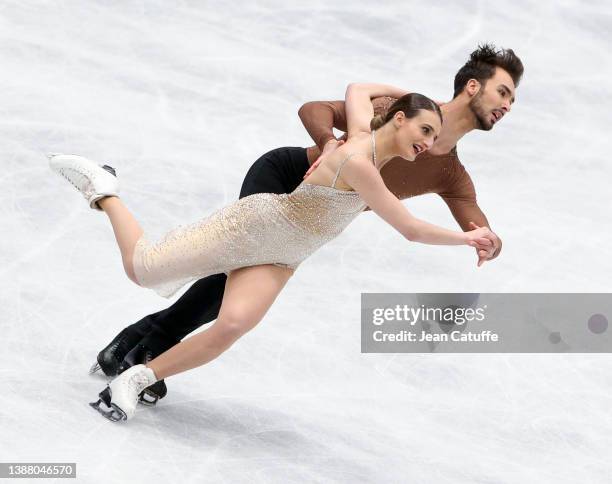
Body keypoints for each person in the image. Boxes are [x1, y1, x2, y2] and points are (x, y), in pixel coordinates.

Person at [88, 43, 523, 407]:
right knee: (224, 278)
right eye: (503, 92)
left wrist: (488, 239)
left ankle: (142, 350)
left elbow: (471, 215)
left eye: (512, 100)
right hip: (284, 180)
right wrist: (334, 148)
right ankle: (145, 345)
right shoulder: (397, 110)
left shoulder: (450, 172)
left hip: (310, 225)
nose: (506, 105)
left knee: (232, 305)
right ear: (471, 86)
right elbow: (314, 109)